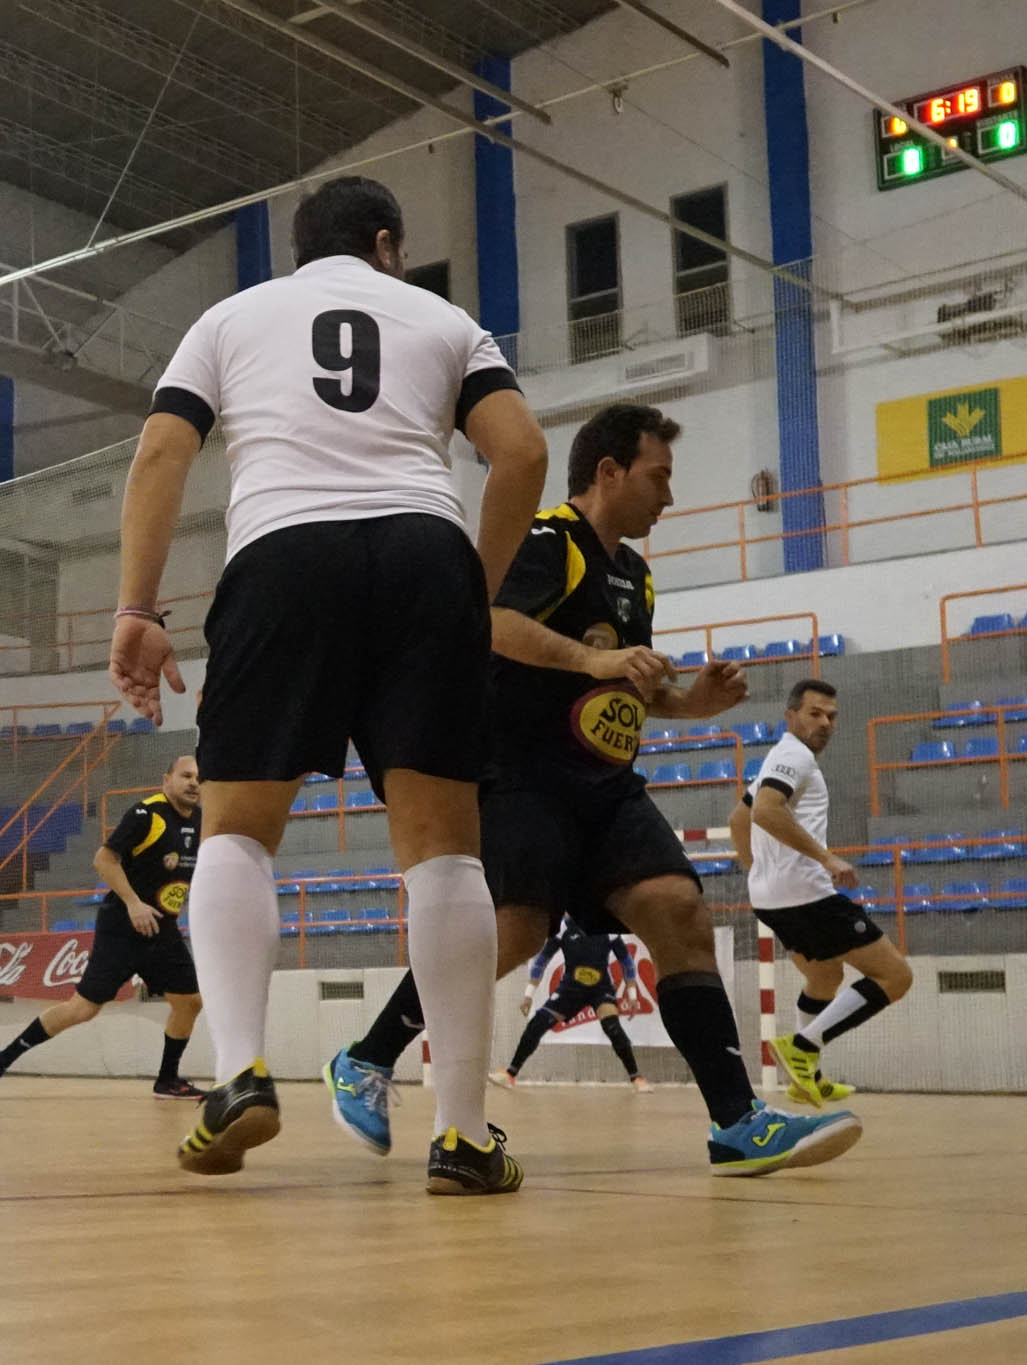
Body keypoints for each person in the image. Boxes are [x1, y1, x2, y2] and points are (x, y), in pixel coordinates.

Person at [107, 175, 550, 1194]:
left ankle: (239, 1076)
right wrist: (469, 590)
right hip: (421, 553)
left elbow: (161, 450)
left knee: (235, 830)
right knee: (442, 854)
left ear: (299, 250)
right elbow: (520, 451)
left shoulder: (229, 317)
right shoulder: (445, 320)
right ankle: (462, 1135)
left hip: (281, 557)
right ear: (387, 243)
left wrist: (136, 608)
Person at [325, 403, 863, 1177]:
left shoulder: (633, 575)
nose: (669, 498)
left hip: (606, 787)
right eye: (659, 477)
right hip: (520, 776)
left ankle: (738, 1121)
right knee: (510, 933)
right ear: (609, 471)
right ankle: (368, 1057)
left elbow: (623, 686)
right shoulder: (547, 540)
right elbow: (493, 623)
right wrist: (593, 661)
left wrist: (688, 704)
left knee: (678, 908)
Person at [0, 756, 208, 1100]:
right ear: (166, 780)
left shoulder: (200, 820)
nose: (193, 783)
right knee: (82, 1009)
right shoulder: (147, 814)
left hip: (162, 928)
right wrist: (133, 903)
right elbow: (103, 859)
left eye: (199, 778)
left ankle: (167, 1081)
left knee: (189, 1001)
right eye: (185, 775)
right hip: (123, 928)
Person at [728, 678, 912, 1106]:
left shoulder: (780, 758)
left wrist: (759, 873)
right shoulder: (794, 755)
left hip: (772, 899)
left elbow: (741, 818)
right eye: (815, 714)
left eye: (832, 716)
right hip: (807, 895)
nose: (825, 723)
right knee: (896, 976)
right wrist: (825, 858)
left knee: (824, 976)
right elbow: (767, 813)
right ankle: (803, 1048)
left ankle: (803, 1077)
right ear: (791, 716)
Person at [493, 919, 649, 1091]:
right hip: (571, 988)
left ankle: (637, 1078)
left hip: (601, 988)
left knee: (612, 1028)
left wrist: (633, 995)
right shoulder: (563, 929)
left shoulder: (608, 930)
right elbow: (541, 961)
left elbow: (626, 962)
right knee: (537, 1024)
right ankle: (510, 1074)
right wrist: (528, 995)